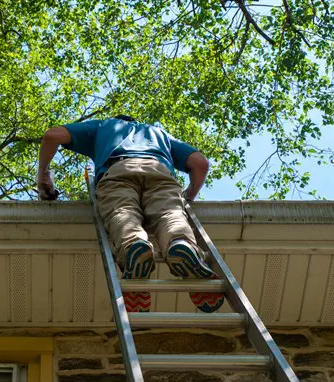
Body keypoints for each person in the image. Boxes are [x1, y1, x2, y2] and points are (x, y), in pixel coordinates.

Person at [37, 115, 224, 313]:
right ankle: (182, 245)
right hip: (159, 171)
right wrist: (189, 197)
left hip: (117, 170)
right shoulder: (159, 133)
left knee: (123, 212)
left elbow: (52, 135)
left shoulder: (104, 126)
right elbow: (200, 163)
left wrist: (43, 175)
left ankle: (134, 246)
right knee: (170, 215)